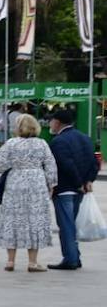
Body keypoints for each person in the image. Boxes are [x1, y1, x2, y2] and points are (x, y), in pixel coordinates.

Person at [0, 113, 56, 273]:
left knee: (12, 219)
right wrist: (52, 184)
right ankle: (32, 262)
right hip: (36, 182)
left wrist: (14, 165)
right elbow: (50, 164)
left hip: (15, 183)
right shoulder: (42, 144)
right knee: (34, 219)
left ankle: (10, 261)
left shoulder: (11, 143)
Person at [47, 108, 97, 271]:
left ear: (58, 122)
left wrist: (78, 183)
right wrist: (88, 180)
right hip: (80, 190)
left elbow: (67, 165)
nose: (50, 124)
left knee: (66, 225)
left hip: (66, 189)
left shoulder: (58, 141)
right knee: (72, 223)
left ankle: (70, 259)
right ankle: (75, 255)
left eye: (52, 121)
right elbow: (94, 163)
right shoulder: (85, 138)